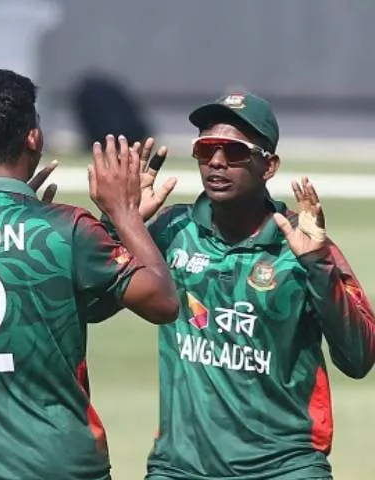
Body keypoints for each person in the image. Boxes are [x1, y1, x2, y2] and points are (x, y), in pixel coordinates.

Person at [0, 69, 179, 480]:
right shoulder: (67, 229)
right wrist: (124, 215)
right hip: (59, 463)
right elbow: (163, 302)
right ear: (34, 137)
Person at [119, 92, 375, 479]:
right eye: (206, 149)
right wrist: (122, 223)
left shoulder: (301, 245)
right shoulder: (172, 229)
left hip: (285, 467)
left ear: (268, 165)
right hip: (181, 466)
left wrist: (318, 264)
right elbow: (92, 305)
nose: (217, 162)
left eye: (235, 151)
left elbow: (359, 358)